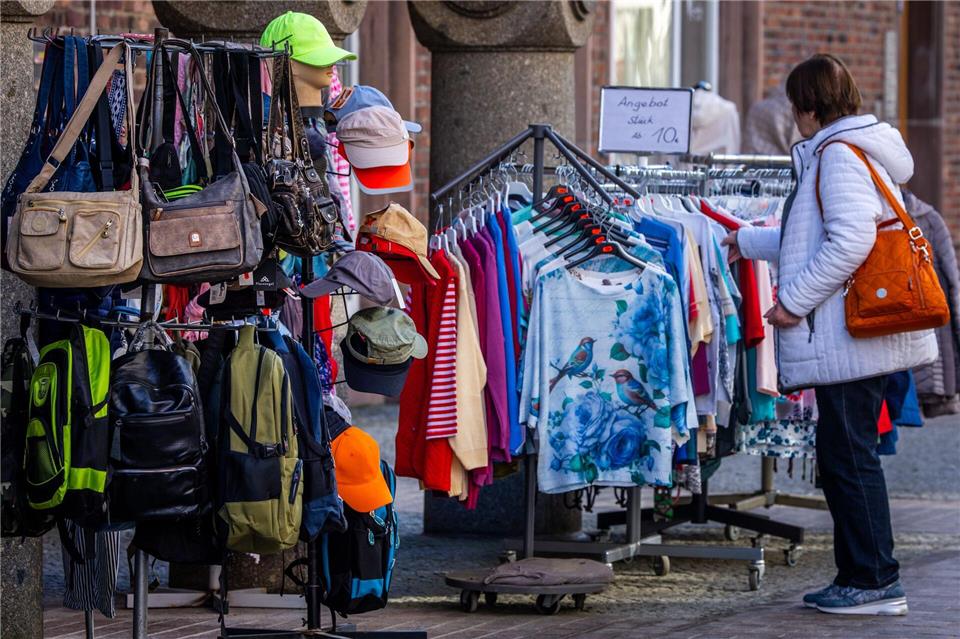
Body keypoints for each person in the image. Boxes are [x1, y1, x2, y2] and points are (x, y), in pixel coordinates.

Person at [723, 54, 937, 616]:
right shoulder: (850, 150)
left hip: (849, 338)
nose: (793, 116)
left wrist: (792, 304)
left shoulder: (837, 156)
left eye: (796, 106)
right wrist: (745, 241)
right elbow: (808, 237)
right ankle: (865, 577)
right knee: (847, 455)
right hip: (853, 336)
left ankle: (873, 581)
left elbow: (849, 242)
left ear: (810, 107)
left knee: (849, 459)